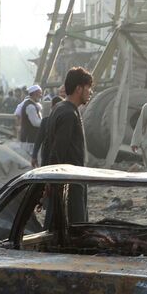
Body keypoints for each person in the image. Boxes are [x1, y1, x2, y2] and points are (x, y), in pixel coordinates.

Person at [38, 67, 93, 223]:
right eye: (88, 88)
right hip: (69, 183)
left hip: (64, 180)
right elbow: (57, 151)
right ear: (79, 89)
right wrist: (50, 182)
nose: (90, 92)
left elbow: (47, 146)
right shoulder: (68, 114)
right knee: (73, 226)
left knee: (56, 224)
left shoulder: (60, 108)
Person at [15, 84, 44, 166]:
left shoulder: (33, 104)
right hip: (29, 139)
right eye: (39, 93)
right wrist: (46, 123)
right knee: (29, 162)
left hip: (31, 138)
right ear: (34, 93)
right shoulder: (30, 106)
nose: (41, 95)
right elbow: (35, 122)